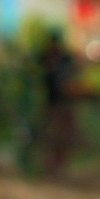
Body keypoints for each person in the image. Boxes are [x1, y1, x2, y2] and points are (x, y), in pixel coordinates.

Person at [32, 26, 82, 181]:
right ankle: (50, 168)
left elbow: (75, 75)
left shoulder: (66, 59)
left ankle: (61, 167)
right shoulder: (43, 57)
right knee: (50, 136)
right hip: (51, 103)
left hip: (65, 103)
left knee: (66, 136)